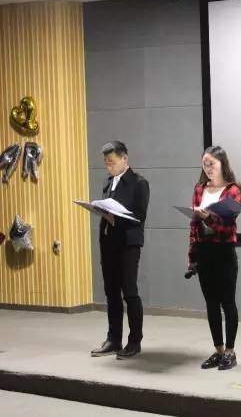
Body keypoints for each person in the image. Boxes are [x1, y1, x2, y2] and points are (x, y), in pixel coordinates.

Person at [188, 146, 241, 371]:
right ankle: (218, 350)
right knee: (211, 303)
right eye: (205, 164)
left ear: (222, 164)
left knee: (227, 302)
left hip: (224, 251)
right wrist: (192, 254)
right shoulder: (199, 189)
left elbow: (228, 225)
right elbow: (193, 226)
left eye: (212, 163)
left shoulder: (233, 190)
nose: (208, 168)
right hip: (204, 251)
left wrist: (208, 219)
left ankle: (230, 351)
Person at [91, 141, 150, 359]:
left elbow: (139, 216)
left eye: (112, 162)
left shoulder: (139, 183)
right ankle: (113, 339)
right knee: (111, 293)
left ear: (125, 158)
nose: (109, 166)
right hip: (108, 243)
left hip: (128, 244)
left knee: (130, 292)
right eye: (106, 163)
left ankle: (134, 341)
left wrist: (116, 217)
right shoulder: (108, 182)